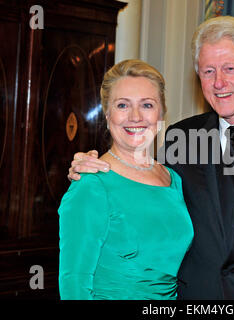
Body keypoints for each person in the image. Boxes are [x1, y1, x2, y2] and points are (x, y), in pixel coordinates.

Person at [68, 16, 234, 299]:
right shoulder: (181, 138)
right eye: (208, 71)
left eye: (230, 68)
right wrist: (88, 167)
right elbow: (141, 192)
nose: (219, 82)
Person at [58, 59, 193, 300]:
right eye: (122, 105)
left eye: (147, 105)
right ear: (107, 114)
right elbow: (73, 283)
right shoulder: (91, 184)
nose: (135, 116)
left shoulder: (173, 179)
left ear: (161, 113)